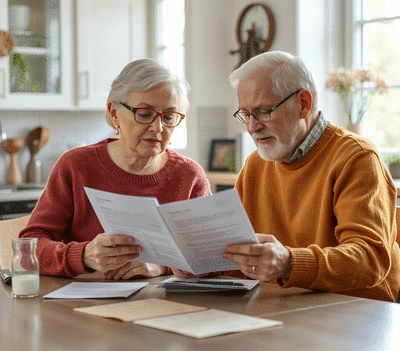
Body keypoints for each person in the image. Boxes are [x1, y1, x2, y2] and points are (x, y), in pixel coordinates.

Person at [221, 50, 400, 302]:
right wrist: (193, 265)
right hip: (283, 306)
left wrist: (289, 263)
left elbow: (369, 259)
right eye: (245, 114)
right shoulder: (255, 165)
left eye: (263, 112)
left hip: (356, 312)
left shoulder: (357, 158)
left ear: (303, 104)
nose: (252, 127)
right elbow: (237, 258)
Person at [19, 59, 211, 280]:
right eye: (145, 114)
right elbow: (29, 248)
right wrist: (83, 256)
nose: (158, 128)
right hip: (80, 307)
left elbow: (207, 253)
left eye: (168, 117)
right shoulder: (75, 166)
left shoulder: (189, 176)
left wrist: (162, 266)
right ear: (114, 113)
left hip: (164, 306)